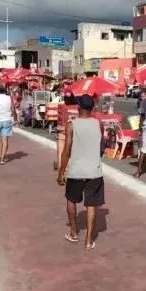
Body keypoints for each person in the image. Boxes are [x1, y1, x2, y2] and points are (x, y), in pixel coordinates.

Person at [57, 94, 104, 250]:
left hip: (76, 170)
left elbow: (67, 150)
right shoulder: (99, 124)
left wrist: (61, 171)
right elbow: (102, 147)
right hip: (94, 170)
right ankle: (89, 240)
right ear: (92, 108)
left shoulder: (71, 125)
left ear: (78, 108)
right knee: (92, 205)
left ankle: (73, 232)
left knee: (71, 200)